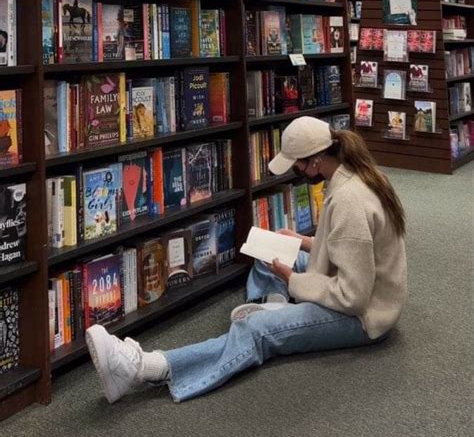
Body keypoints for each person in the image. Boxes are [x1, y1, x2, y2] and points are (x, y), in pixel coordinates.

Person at [86, 116, 407, 405]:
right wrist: (302, 243)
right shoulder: (355, 176)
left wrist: (292, 279)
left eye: (296, 165)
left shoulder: (349, 201)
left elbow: (352, 296)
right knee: (267, 256)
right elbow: (351, 248)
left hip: (362, 317)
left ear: (315, 160)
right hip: (353, 283)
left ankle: (144, 367)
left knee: (256, 329)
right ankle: (277, 305)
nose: (296, 172)